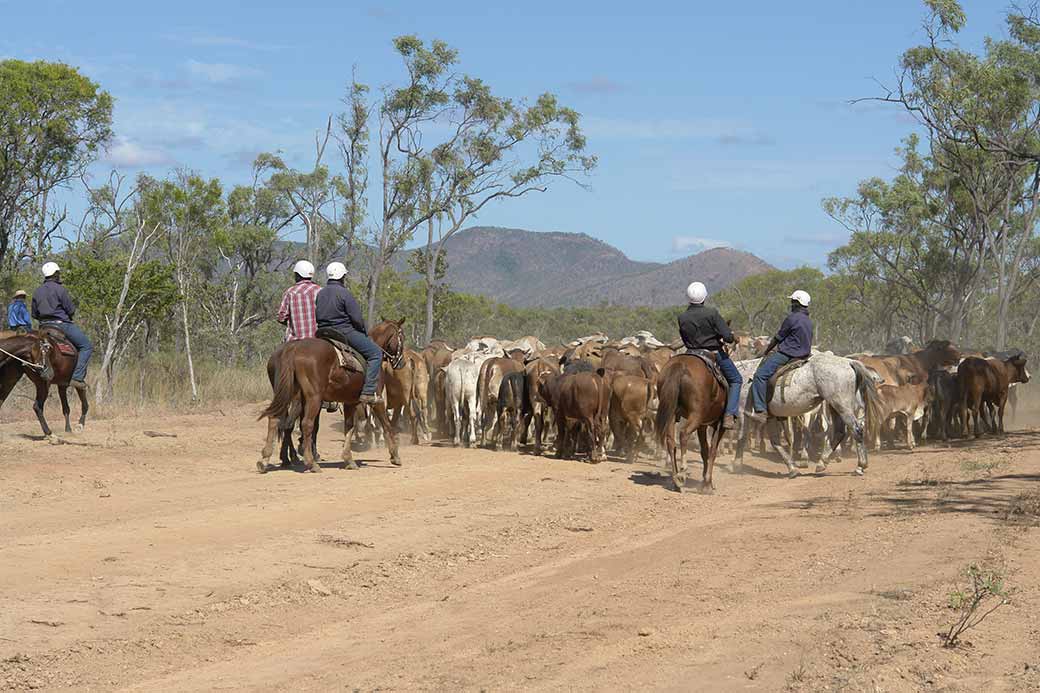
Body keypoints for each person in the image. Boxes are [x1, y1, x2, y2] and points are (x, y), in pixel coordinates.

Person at [315, 262, 383, 405]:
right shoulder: (344, 293)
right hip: (344, 331)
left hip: (323, 332)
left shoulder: (320, 293)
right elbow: (356, 318)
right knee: (375, 353)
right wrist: (362, 331)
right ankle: (368, 392)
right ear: (342, 277)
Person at [678, 281, 743, 428]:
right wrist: (733, 338)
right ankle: (729, 414)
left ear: (688, 298)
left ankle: (677, 407)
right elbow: (726, 336)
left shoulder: (682, 317)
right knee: (736, 379)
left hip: (690, 353)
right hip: (713, 353)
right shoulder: (712, 313)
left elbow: (684, 338)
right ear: (704, 297)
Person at [747, 290, 814, 423]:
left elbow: (778, 337)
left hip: (788, 354)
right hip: (804, 356)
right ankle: (778, 410)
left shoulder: (792, 318)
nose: (791, 304)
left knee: (760, 375)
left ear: (797, 303)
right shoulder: (809, 321)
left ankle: (760, 410)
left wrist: (767, 350)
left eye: (792, 301)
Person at [31, 262, 93, 390]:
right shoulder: (60, 289)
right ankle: (77, 377)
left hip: (43, 327)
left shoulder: (37, 291)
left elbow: (34, 313)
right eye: (58, 273)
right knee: (86, 346)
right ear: (56, 274)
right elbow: (70, 310)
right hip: (61, 325)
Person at [277, 260, 321, 341]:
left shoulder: (290, 292)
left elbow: (281, 317)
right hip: (316, 338)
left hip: (294, 340)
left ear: (297, 275)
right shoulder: (319, 290)